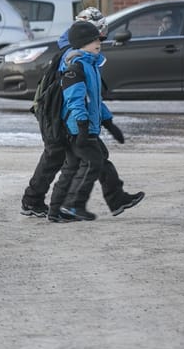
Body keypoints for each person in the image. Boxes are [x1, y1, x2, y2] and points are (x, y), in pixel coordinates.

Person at [19, 7, 141, 219]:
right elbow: (73, 95)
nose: (101, 40)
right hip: (59, 118)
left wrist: (106, 120)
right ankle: (45, 204)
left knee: (80, 159)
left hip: (66, 119)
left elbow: (91, 96)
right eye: (99, 34)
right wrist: (80, 125)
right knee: (61, 159)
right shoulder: (74, 56)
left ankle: (47, 203)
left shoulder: (83, 53)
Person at [47, 20, 145, 223]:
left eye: (99, 39)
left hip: (85, 126)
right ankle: (73, 206)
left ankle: (56, 210)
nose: (98, 43)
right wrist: (82, 128)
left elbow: (94, 100)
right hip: (76, 127)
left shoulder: (91, 64)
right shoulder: (76, 66)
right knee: (94, 161)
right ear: (81, 43)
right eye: (93, 41)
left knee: (74, 166)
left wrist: (109, 123)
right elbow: (74, 100)